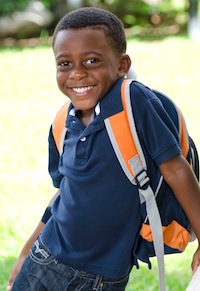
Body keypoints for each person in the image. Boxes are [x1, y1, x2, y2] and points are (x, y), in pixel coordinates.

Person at [8, 7, 200, 291]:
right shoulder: (63, 121)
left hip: (101, 278)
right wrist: (25, 253)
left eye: (92, 60)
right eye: (65, 64)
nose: (77, 74)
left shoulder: (134, 103)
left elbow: (177, 170)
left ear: (122, 65)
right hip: (44, 258)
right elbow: (63, 196)